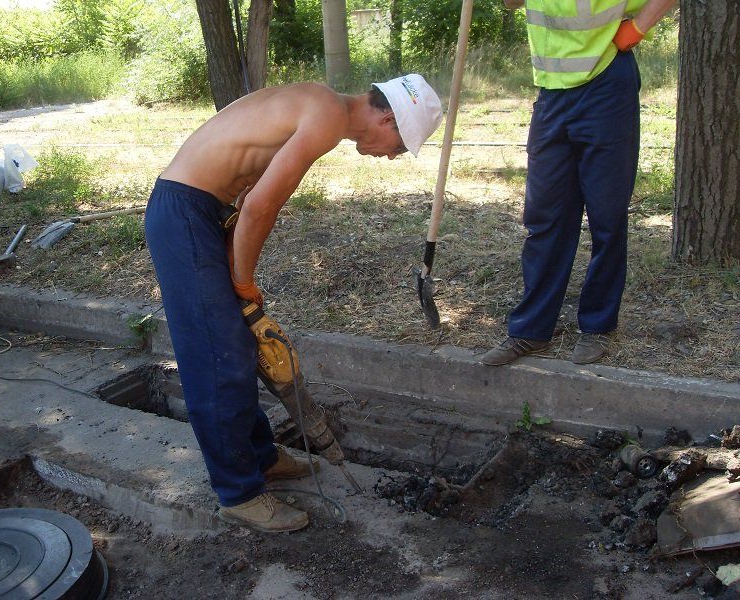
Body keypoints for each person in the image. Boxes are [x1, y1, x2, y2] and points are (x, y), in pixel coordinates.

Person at [145, 75, 442, 532]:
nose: (391, 158)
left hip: (203, 211)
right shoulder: (325, 116)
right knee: (217, 356)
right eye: (399, 147)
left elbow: (248, 200)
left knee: (239, 346)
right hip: (186, 213)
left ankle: (260, 457)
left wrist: (239, 276)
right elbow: (262, 207)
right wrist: (244, 286)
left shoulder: (320, 106)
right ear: (387, 119)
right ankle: (238, 494)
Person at [481, 0, 678, 367]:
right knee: (545, 217)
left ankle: (598, 327)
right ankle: (530, 330)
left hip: (605, 89)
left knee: (606, 215)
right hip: (552, 96)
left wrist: (636, 29)